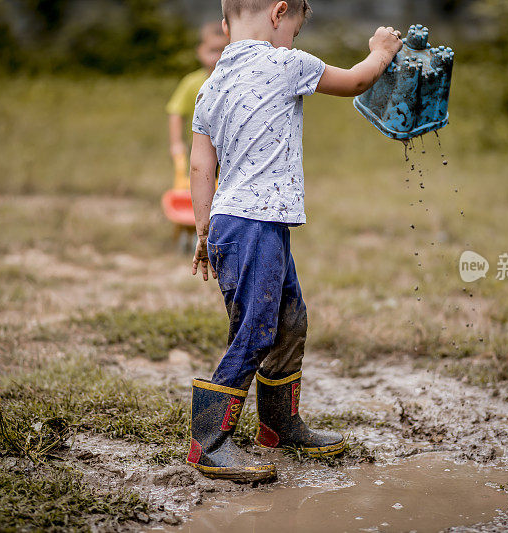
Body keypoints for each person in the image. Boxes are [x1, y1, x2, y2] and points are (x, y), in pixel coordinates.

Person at [187, 0, 403, 482]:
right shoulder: (287, 63)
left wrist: (204, 231)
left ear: (225, 25)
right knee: (257, 328)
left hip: (235, 223)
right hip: (255, 225)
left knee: (289, 320)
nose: (295, 40)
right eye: (296, 30)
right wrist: (382, 50)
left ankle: (278, 425)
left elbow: (203, 166)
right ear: (279, 12)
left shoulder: (209, 86)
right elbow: (357, 81)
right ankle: (209, 440)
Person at [166, 21, 229, 191]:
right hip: (200, 147)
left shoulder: (234, 83)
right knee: (201, 183)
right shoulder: (191, 83)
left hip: (228, 149)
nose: (218, 57)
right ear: (199, 51)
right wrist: (176, 143)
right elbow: (176, 112)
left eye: (223, 50)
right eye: (212, 51)